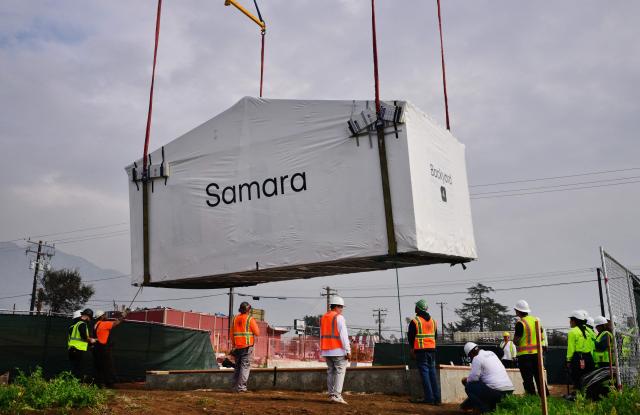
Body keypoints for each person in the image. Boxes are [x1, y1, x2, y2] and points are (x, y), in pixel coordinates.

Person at [460, 342, 514, 413]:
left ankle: (485, 411)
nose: (471, 358)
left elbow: (473, 378)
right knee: (481, 385)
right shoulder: (491, 353)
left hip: (497, 392)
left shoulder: (477, 358)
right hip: (509, 391)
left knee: (469, 386)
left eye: (470, 356)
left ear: (471, 353)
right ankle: (491, 407)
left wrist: (465, 380)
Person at [512, 299, 548, 396]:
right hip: (537, 355)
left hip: (524, 357)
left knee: (528, 379)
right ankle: (545, 397)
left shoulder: (520, 323)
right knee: (539, 377)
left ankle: (531, 398)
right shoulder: (536, 320)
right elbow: (542, 337)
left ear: (519, 311)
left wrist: (514, 340)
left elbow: (516, 341)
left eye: (516, 310)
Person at [407, 299, 440, 405]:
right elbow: (435, 336)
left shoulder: (415, 321)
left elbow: (411, 337)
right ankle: (437, 399)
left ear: (418, 308)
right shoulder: (433, 321)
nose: (415, 308)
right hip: (432, 350)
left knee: (425, 374)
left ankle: (429, 398)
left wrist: (412, 349)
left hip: (421, 351)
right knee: (432, 373)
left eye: (416, 306)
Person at [320, 295, 351, 405]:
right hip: (338, 350)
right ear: (337, 306)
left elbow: (321, 335)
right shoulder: (339, 317)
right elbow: (343, 336)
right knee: (340, 372)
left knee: (330, 372)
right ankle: (337, 395)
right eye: (341, 307)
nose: (342, 309)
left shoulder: (323, 317)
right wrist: (348, 351)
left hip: (326, 350)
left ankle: (332, 395)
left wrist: (322, 350)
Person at [230, 301, 260, 392]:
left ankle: (235, 386)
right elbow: (257, 333)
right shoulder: (249, 319)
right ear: (248, 310)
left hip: (237, 347)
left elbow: (231, 334)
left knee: (238, 367)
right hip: (246, 347)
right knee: (245, 367)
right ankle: (241, 388)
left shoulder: (235, 319)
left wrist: (234, 345)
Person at [93, 310, 126, 387]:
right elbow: (116, 323)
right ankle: (109, 383)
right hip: (103, 348)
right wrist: (123, 316)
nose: (105, 316)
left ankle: (98, 383)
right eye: (104, 315)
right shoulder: (104, 324)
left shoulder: (96, 324)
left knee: (99, 367)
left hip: (97, 348)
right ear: (101, 317)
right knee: (107, 366)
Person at [566, 310, 595, 391]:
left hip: (578, 358)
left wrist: (568, 361)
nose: (570, 322)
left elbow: (571, 348)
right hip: (589, 357)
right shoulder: (589, 330)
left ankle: (579, 396)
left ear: (574, 321)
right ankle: (589, 396)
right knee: (589, 377)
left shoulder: (572, 332)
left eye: (571, 320)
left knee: (577, 377)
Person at [68, 308, 97, 381]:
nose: (90, 320)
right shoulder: (83, 324)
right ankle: (77, 384)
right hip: (79, 349)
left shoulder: (75, 325)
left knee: (75, 368)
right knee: (79, 368)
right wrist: (92, 340)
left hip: (72, 349)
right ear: (87, 316)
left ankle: (72, 383)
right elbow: (84, 337)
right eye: (90, 318)